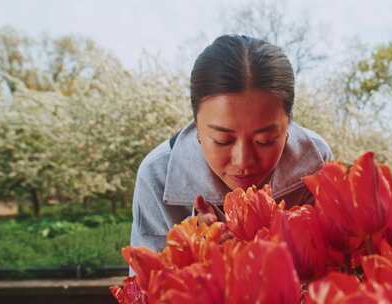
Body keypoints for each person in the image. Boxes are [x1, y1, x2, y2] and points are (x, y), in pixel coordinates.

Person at [129, 34, 333, 253]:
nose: (243, 161)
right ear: (196, 127)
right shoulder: (157, 175)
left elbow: (335, 270)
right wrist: (197, 261)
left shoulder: (316, 161)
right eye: (222, 140)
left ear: (288, 127)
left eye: (265, 141)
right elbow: (145, 284)